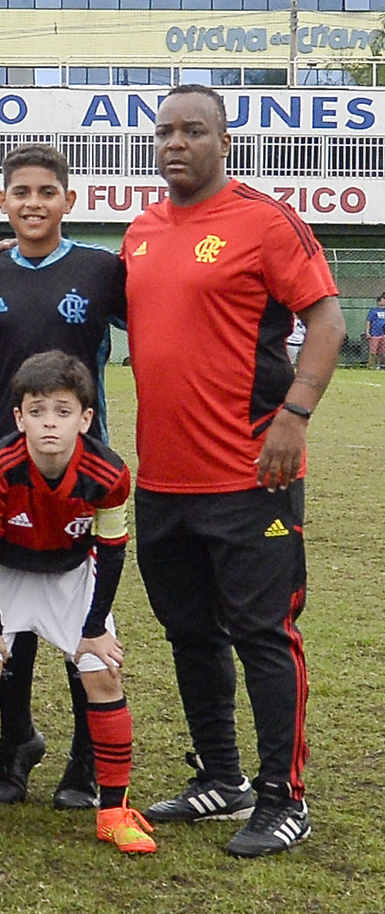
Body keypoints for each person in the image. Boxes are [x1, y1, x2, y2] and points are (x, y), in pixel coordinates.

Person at [126, 84, 343, 857]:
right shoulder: (142, 231)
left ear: (225, 142)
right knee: (189, 630)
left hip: (253, 474)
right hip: (163, 481)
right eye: (164, 131)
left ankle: (285, 797)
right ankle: (220, 775)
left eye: (193, 130)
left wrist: (294, 415)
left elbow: (327, 319)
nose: (175, 143)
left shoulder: (264, 221)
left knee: (263, 631)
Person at [0, 144, 127, 809]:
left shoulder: (101, 269)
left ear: (70, 199)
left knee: (84, 617)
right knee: (12, 622)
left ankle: (84, 767)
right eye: (21, 192)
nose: (34, 202)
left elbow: (164, 317)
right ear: (2, 201)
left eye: (46, 191)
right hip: (2, 461)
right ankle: (15, 749)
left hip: (83, 465)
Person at [0, 351, 153, 855]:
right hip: (6, 571)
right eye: (37, 412)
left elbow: (111, 547)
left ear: (85, 418)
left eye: (63, 412)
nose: (49, 424)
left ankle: (114, 811)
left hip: (70, 573)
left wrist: (97, 625)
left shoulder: (108, 472)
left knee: (102, 670)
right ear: (19, 418)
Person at [366, 293, 385, 368]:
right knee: (373, 351)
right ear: (379, 302)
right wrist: (367, 332)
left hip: (383, 334)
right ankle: (370, 364)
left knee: (381, 351)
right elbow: (368, 321)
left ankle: (378, 365)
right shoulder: (373, 311)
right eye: (383, 300)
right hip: (375, 333)